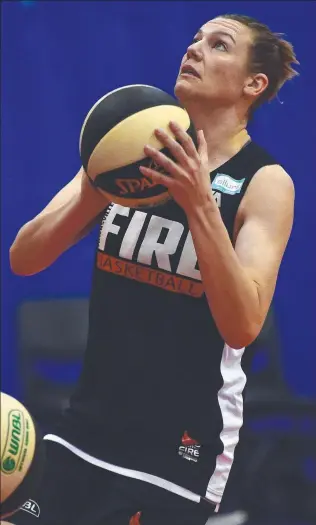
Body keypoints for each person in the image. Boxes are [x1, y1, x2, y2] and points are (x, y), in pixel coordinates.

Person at [9, 13, 298, 525]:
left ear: (254, 84)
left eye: (219, 45)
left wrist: (200, 205)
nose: (195, 49)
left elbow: (243, 324)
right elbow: (24, 259)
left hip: (181, 448)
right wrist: (96, 188)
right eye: (194, 40)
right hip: (87, 427)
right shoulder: (127, 152)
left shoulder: (265, 182)